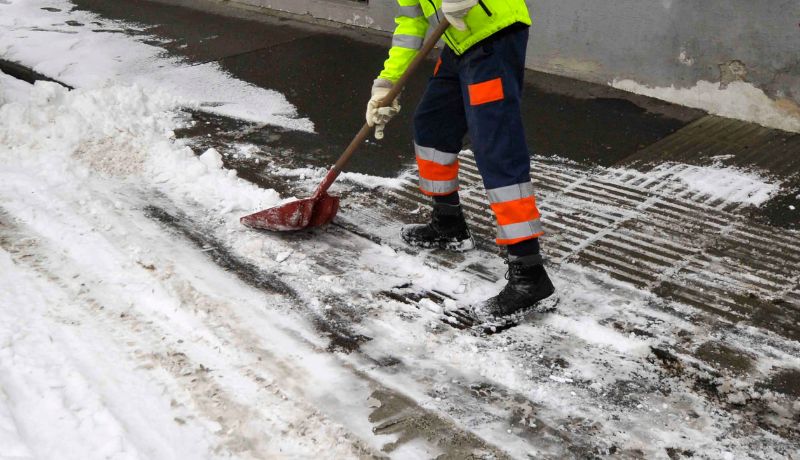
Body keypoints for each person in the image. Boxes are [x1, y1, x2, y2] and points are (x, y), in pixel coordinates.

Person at [365, 0, 555, 322]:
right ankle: (449, 224)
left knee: (496, 145)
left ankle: (529, 272)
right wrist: (387, 84)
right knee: (432, 127)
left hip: (493, 37)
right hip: (459, 43)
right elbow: (411, 24)